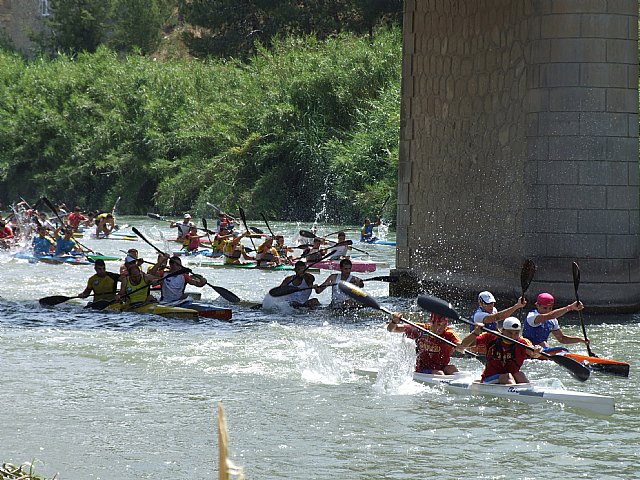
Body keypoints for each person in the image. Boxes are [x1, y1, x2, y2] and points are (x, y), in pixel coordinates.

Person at [460, 317, 543, 384]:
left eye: (516, 333)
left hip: (510, 377)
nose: (513, 337)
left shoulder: (522, 342)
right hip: (489, 378)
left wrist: (537, 351)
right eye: (510, 333)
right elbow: (463, 345)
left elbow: (534, 354)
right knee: (507, 377)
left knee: (520, 375)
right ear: (503, 330)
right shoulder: (491, 336)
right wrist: (475, 333)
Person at [387, 312, 462, 375]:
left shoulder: (449, 333)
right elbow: (392, 329)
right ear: (432, 322)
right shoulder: (420, 329)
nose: (442, 328)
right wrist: (394, 321)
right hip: (422, 368)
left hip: (442, 366)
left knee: (452, 369)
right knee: (439, 373)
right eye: (439, 324)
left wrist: (460, 347)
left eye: (444, 325)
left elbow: (461, 345)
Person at [522, 293, 587, 349]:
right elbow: (550, 315)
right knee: (543, 344)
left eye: (550, 308)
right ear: (537, 305)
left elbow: (562, 339)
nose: (547, 311)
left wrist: (580, 339)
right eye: (545, 308)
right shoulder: (532, 316)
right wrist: (570, 307)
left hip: (541, 349)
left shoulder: (553, 321)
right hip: (528, 348)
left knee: (546, 345)